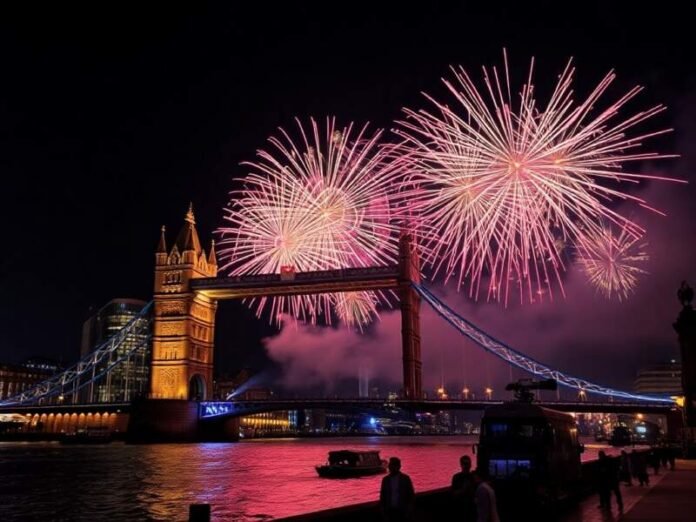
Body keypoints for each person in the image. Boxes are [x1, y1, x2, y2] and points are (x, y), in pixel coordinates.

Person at [380, 457, 415, 522]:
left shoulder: (405, 479)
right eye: (390, 465)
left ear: (398, 467)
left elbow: (411, 495)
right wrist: (383, 510)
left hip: (402, 510)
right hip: (389, 511)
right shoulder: (385, 480)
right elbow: (382, 496)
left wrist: (409, 510)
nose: (390, 467)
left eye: (392, 465)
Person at [451, 455, 476, 520]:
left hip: (472, 507)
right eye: (465, 464)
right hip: (460, 508)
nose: (466, 466)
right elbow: (454, 494)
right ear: (461, 465)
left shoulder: (473, 477)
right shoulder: (456, 477)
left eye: (468, 464)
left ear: (470, 465)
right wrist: (463, 489)